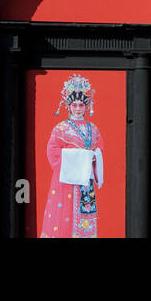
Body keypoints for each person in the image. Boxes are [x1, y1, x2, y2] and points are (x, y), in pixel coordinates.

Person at [41, 74, 105, 238]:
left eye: (81, 105)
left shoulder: (93, 129)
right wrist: (77, 159)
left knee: (84, 220)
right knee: (64, 217)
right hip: (66, 180)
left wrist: (93, 157)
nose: (78, 108)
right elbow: (52, 151)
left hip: (85, 182)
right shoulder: (61, 128)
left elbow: (99, 149)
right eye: (74, 105)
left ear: (87, 106)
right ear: (68, 106)